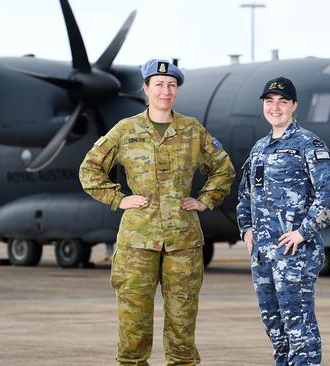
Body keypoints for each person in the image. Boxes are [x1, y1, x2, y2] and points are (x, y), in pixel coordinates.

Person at [79, 59, 235, 365]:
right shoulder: (126, 130)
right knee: (134, 323)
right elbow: (90, 169)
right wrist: (118, 199)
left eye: (172, 85)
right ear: (146, 89)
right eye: (159, 85)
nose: (166, 91)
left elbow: (223, 169)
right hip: (138, 242)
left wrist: (205, 199)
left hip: (183, 243)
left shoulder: (192, 130)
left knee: (182, 325)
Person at [237, 76, 330, 365]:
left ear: (294, 106)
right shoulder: (259, 148)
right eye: (269, 101)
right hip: (263, 255)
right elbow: (245, 193)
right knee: (275, 328)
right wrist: (246, 229)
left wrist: (303, 232)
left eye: (282, 102)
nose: (275, 107)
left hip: (295, 255)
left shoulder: (308, 144)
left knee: (299, 328)